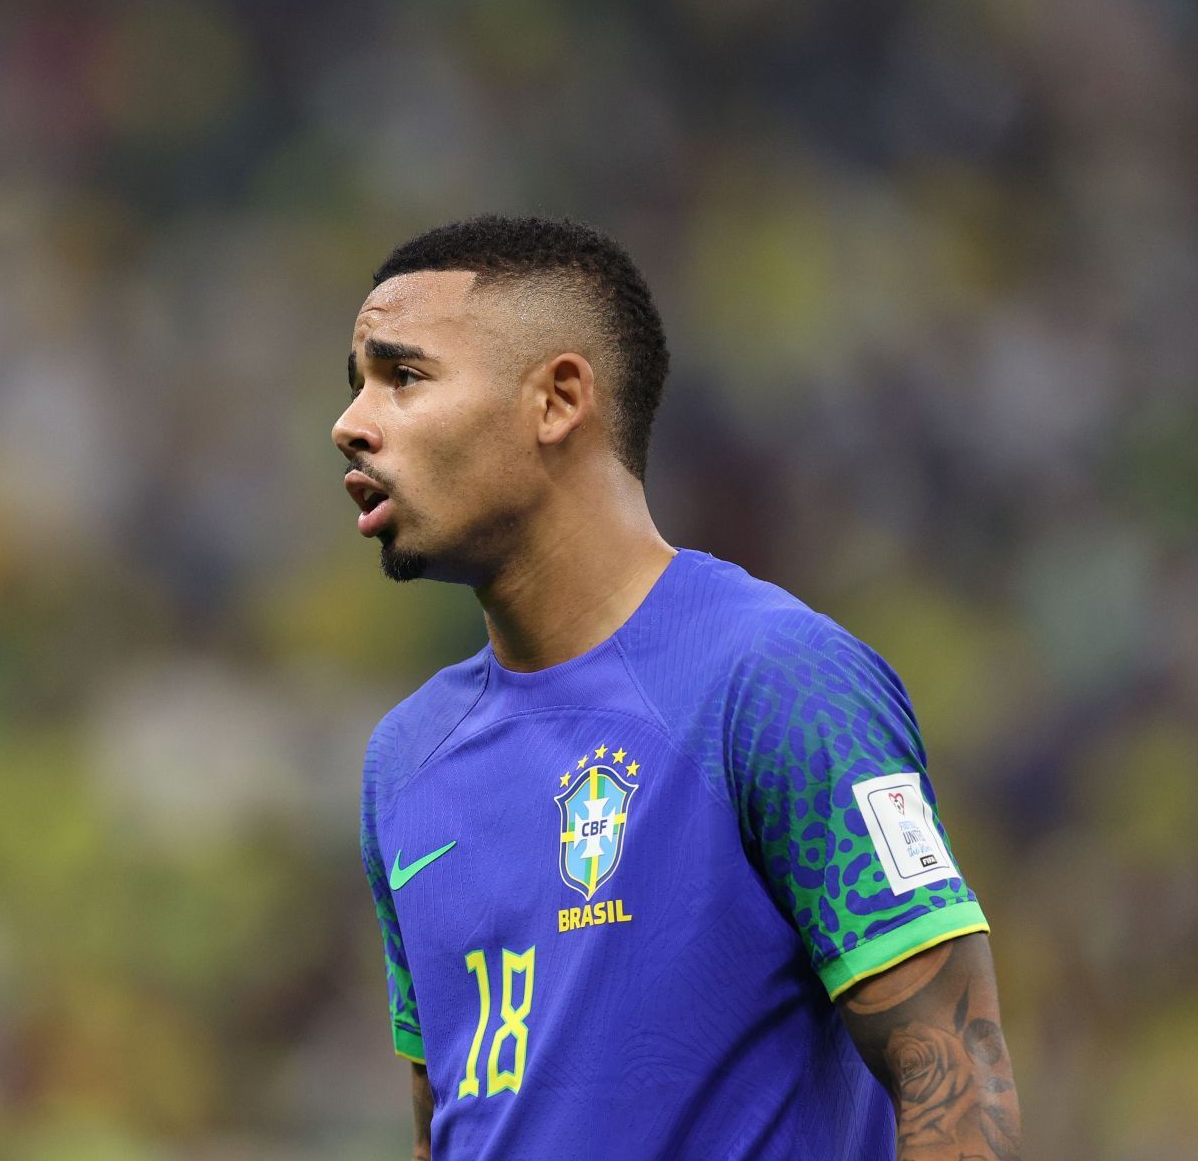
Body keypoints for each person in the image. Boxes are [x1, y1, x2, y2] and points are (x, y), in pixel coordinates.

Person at [336, 216, 1020, 1160]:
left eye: (402, 377)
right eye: (357, 384)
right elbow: (444, 1124)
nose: (352, 423)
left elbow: (957, 1090)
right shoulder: (404, 762)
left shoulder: (775, 683)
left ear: (558, 399)